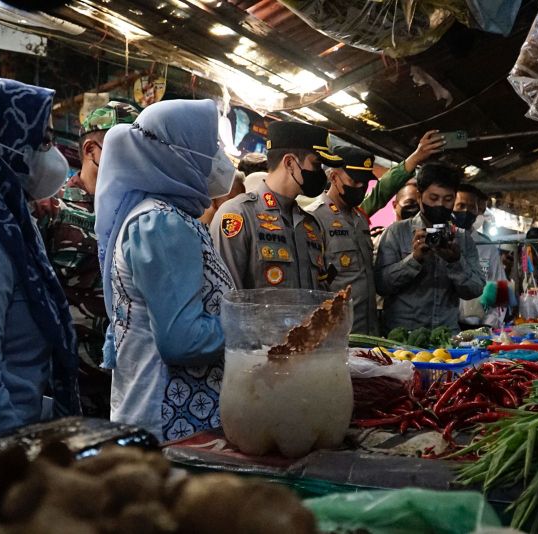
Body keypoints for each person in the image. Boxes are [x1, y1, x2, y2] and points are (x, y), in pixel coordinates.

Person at [95, 99, 236, 441]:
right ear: (181, 153)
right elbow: (181, 340)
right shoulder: (160, 223)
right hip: (170, 424)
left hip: (163, 414)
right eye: (211, 146)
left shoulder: (164, 215)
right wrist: (253, 329)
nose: (219, 156)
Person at [0, 78, 80, 433]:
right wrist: (20, 459)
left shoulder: (4, 220)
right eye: (43, 141)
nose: (54, 155)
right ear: (2, 140)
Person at [36, 101, 139, 418]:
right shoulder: (53, 210)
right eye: (123, 146)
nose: (135, 158)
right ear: (92, 149)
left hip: (125, 384)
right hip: (66, 384)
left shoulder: (137, 213)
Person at [307, 132, 445, 334]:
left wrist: (415, 158)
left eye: (365, 182)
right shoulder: (314, 219)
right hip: (335, 334)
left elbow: (382, 191)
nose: (361, 187)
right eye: (354, 182)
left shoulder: (359, 216)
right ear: (334, 176)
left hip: (368, 330)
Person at [212, 121, 343, 290]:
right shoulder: (239, 216)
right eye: (316, 165)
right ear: (289, 163)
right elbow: (226, 297)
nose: (321, 174)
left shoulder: (311, 225)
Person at [375, 162, 486, 333]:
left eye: (448, 199)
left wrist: (455, 261)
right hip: (402, 337)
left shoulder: (463, 239)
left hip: (444, 336)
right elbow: (381, 285)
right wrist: (414, 260)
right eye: (433, 198)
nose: (440, 205)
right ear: (420, 197)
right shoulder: (397, 233)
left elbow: (475, 289)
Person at [455, 184, 508, 328]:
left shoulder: (487, 246)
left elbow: (501, 289)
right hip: (447, 326)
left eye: (472, 207)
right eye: (460, 205)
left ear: (478, 210)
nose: (466, 211)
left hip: (479, 327)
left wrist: (490, 324)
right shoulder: (441, 242)